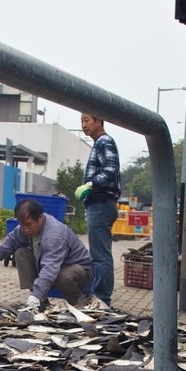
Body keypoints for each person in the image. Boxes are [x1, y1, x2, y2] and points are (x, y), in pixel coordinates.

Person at [0, 199, 93, 311]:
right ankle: (41, 302)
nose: (26, 229)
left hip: (79, 268)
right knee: (21, 254)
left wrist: (36, 294)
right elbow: (12, 239)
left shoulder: (54, 235)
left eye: (29, 225)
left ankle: (77, 303)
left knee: (64, 276)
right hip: (54, 266)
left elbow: (50, 268)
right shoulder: (25, 226)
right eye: (22, 225)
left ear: (40, 217)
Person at [74, 113, 121, 307]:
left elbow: (111, 169)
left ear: (99, 121)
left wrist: (90, 184)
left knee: (100, 256)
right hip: (98, 204)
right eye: (82, 121)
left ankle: (102, 299)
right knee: (99, 254)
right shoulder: (99, 143)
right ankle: (99, 296)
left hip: (101, 203)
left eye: (87, 120)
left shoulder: (104, 141)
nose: (84, 125)